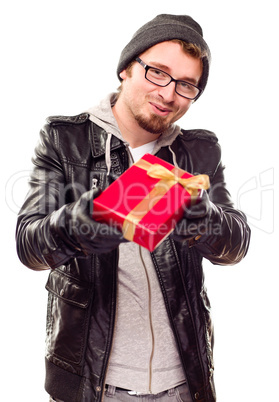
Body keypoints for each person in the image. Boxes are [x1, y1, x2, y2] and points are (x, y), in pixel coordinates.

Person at [16, 14, 250, 402]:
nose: (169, 93)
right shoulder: (63, 140)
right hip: (92, 382)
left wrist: (200, 216)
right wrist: (86, 221)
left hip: (183, 383)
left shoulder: (199, 150)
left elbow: (236, 244)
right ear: (126, 68)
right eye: (158, 72)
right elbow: (29, 246)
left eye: (186, 84)